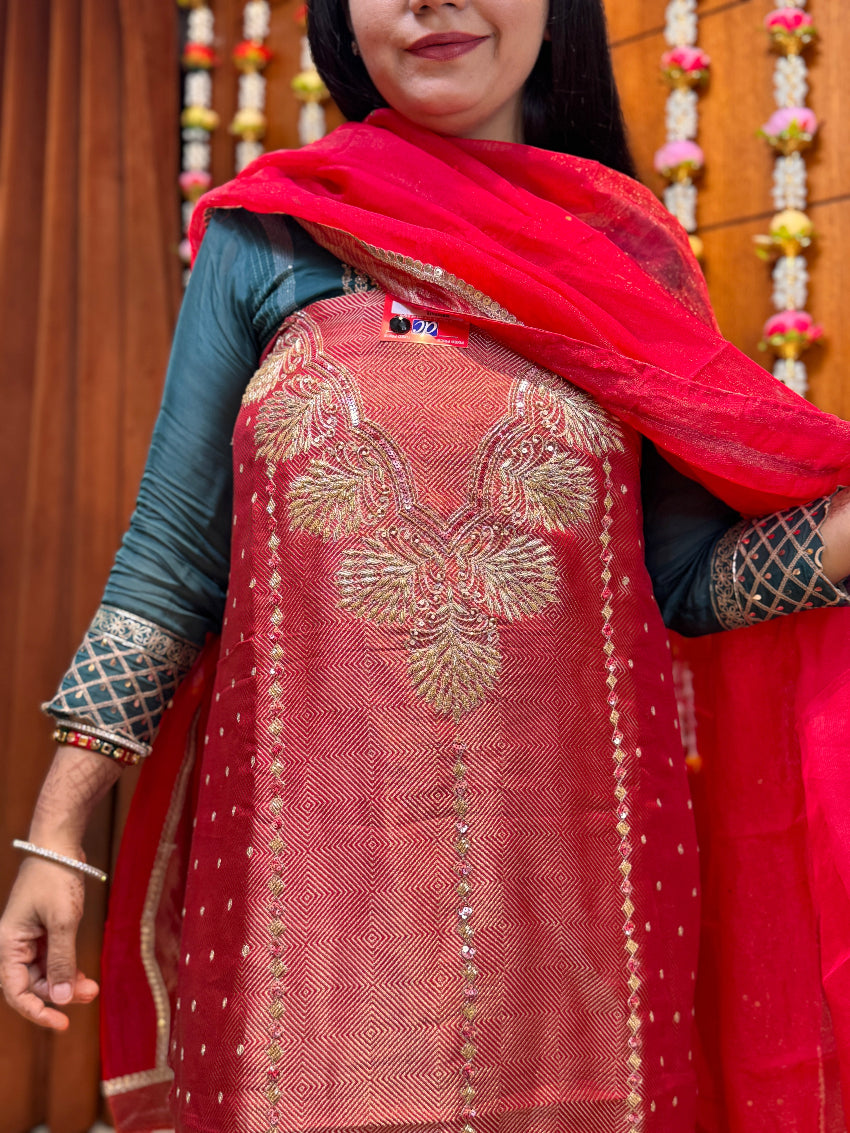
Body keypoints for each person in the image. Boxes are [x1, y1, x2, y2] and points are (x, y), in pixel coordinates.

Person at [2, 1, 850, 1130]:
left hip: (579, 914)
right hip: (306, 918)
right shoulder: (270, 238)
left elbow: (685, 580)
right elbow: (173, 560)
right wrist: (56, 833)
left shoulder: (623, 254)